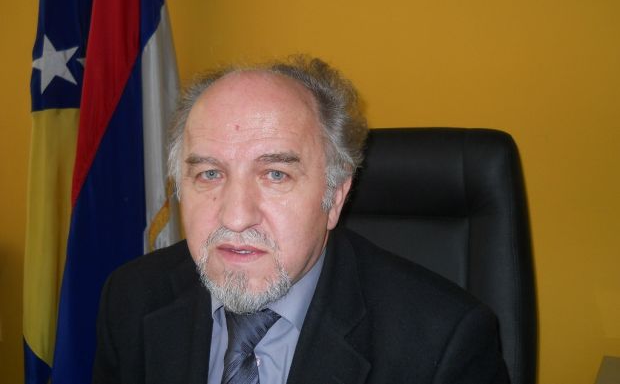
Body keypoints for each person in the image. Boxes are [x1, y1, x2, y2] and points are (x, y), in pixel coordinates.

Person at [92, 55, 508, 384]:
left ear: (335, 196)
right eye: (210, 174)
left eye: (275, 175)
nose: (235, 217)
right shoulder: (131, 298)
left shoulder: (442, 344)